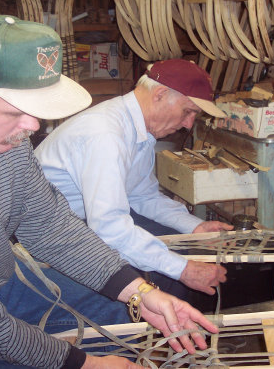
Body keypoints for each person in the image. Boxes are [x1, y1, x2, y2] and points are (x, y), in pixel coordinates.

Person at [0, 15, 218, 369]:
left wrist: (141, 293)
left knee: (121, 318)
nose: (33, 127)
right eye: (16, 112)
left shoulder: (2, 138)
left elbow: (50, 225)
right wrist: (87, 365)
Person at [34, 59, 233, 305]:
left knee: (181, 251)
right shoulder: (105, 134)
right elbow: (109, 229)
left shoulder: (137, 129)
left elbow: (143, 196)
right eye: (188, 111)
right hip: (50, 237)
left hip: (84, 221)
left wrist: (194, 227)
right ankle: (168, 331)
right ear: (160, 94)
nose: (188, 124)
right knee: (170, 274)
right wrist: (184, 270)